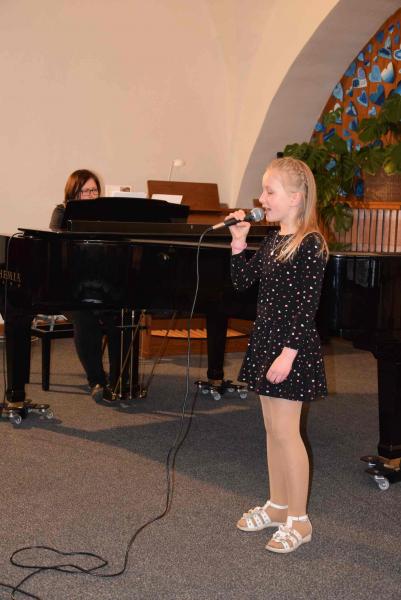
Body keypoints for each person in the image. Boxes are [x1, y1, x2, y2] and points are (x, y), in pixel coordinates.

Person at [228, 157, 328, 554]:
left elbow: (307, 307)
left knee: (288, 433)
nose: (262, 198)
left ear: (296, 197)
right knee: (272, 430)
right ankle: (277, 504)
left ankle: (299, 520)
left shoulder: (310, 243)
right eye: (263, 190)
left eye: (270, 191)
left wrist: (288, 355)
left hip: (292, 347)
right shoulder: (273, 241)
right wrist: (238, 242)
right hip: (267, 341)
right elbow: (241, 282)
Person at [50, 169, 128, 403]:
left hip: (102, 286)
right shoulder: (62, 212)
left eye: (94, 190)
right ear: (73, 193)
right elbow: (58, 249)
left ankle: (119, 379)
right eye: (85, 191)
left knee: (122, 316)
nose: (91, 195)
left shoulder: (107, 216)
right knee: (85, 318)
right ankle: (97, 380)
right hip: (71, 290)